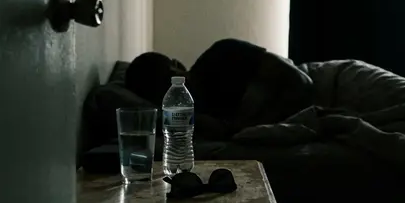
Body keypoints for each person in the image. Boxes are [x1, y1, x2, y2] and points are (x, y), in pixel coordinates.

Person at [125, 39, 314, 139]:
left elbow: (302, 82)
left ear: (179, 66)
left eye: (169, 82)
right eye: (162, 94)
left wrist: (248, 124)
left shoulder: (222, 54)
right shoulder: (197, 118)